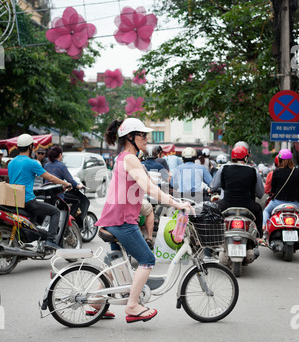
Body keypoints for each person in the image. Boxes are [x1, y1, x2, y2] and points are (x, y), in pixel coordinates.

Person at [95, 117, 192, 324]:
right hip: (122, 220)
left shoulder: (125, 157)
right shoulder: (130, 159)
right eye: (142, 135)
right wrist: (176, 204)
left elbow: (147, 184)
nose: (147, 138)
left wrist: (171, 198)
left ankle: (95, 302)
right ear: (130, 137)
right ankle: (132, 306)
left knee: (116, 263)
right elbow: (149, 188)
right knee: (147, 260)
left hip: (112, 217)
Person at [7, 134, 72, 249]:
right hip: (27, 200)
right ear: (30, 147)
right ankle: (51, 240)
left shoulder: (11, 163)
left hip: (14, 201)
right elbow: (50, 178)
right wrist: (65, 183)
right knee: (55, 211)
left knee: (34, 215)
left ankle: (30, 239)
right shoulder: (31, 163)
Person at [217, 145, 264, 237]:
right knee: (258, 209)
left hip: (226, 204)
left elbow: (221, 186)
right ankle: (259, 236)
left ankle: (213, 238)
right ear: (245, 158)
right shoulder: (253, 171)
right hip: (247, 206)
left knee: (212, 208)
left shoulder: (224, 168)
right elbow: (260, 194)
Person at [263, 149, 299, 229]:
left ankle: (264, 227)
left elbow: (273, 190)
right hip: (295, 204)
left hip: (278, 203)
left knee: (266, 211)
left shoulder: (276, 172)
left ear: (279, 160)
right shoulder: (297, 172)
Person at [45, 146, 84, 217]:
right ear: (60, 154)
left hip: (47, 194)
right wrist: (78, 186)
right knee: (77, 201)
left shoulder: (46, 165)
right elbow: (70, 180)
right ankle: (69, 220)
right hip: (58, 195)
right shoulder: (62, 166)